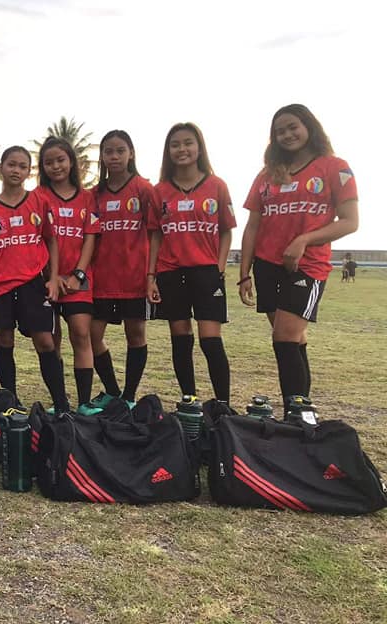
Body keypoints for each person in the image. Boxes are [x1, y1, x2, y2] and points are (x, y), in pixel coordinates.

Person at [238, 104, 358, 410]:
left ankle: (295, 413)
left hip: (307, 265)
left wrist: (304, 240)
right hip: (267, 267)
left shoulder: (335, 167)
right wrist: (244, 272)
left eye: (293, 127)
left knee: (284, 338)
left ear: (309, 127)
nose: (287, 135)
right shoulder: (267, 175)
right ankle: (303, 410)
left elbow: (349, 221)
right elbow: (253, 226)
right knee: (294, 339)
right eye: (280, 131)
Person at [0, 146, 68, 414]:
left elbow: (51, 240)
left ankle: (61, 404)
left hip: (33, 284)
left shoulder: (38, 202)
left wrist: (53, 278)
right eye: (11, 164)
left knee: (45, 342)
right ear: (0, 168)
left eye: (22, 166)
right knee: (4, 340)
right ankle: (10, 402)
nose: (16, 170)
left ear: (29, 171)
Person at [147, 123, 235, 404]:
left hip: (206, 272)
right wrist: (151, 276)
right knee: (180, 338)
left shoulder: (216, 185)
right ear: (168, 151)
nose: (182, 149)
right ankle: (189, 401)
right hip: (171, 273)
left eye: (188, 143)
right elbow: (156, 235)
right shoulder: (159, 191)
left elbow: (226, 230)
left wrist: (218, 268)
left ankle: (223, 404)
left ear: (199, 148)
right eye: (175, 144)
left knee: (210, 340)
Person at [35, 136, 101, 414]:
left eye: (60, 160)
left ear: (71, 161)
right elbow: (34, 239)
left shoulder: (88, 198)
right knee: (52, 341)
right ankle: (59, 402)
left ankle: (84, 403)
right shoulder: (37, 197)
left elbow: (90, 238)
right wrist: (51, 275)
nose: (55, 166)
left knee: (81, 334)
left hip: (78, 281)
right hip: (46, 280)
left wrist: (77, 274)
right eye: (48, 162)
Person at [89, 130, 153, 407]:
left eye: (120, 150)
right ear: (101, 157)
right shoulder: (94, 194)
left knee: (135, 335)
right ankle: (113, 391)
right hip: (102, 278)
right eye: (108, 152)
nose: (114, 157)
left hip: (135, 278)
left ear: (131, 153)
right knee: (92, 336)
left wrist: (152, 274)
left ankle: (129, 396)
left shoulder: (144, 188)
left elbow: (155, 234)